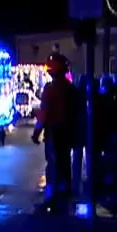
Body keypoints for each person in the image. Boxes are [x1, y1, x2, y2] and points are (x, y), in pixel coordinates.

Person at [33, 52, 80, 211]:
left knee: (53, 165)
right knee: (65, 163)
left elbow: (45, 113)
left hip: (55, 132)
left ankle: (51, 197)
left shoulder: (51, 89)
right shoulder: (71, 89)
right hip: (68, 132)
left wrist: (36, 132)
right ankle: (64, 192)